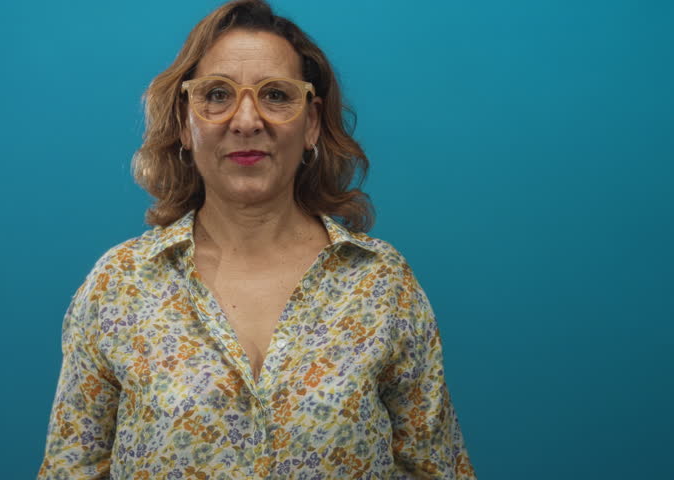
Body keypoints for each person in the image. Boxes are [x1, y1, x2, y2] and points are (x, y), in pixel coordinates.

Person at [37, 1, 476, 478]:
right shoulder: (118, 286)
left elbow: (436, 469)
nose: (246, 120)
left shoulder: (381, 284)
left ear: (310, 123)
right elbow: (70, 469)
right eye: (218, 94)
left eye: (276, 95)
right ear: (186, 122)